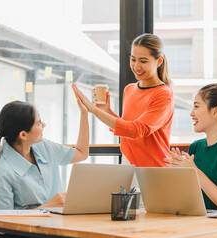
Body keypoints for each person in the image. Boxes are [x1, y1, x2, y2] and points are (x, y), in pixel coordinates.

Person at [72, 33, 174, 167]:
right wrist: (106, 111)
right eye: (133, 59)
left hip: (154, 167)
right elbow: (126, 128)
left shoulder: (164, 94)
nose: (136, 66)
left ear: (159, 61)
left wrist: (94, 111)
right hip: (128, 162)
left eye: (143, 61)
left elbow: (137, 130)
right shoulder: (129, 89)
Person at [0, 95, 89, 211]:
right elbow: (3, 226)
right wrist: (48, 207)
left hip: (59, 225)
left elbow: (82, 153)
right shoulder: (0, 173)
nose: (44, 125)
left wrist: (84, 114)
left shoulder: (45, 147)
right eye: (38, 123)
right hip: (35, 229)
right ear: (23, 135)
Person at [164, 83, 217, 210]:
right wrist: (179, 174)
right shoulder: (196, 147)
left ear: (215, 111)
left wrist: (196, 172)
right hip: (201, 223)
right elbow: (190, 198)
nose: (191, 113)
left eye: (196, 106)